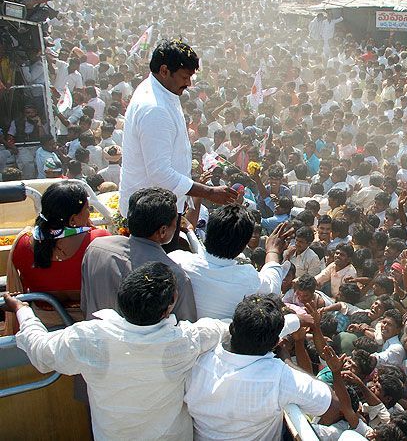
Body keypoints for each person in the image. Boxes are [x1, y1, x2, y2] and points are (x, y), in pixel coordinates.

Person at [7, 262, 229, 440]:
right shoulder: (183, 341)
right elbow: (224, 328)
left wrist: (22, 310)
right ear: (169, 305)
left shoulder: (89, 338)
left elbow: (40, 351)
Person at [119, 39, 237, 231]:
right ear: (164, 71)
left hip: (160, 210)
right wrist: (208, 192)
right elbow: (159, 173)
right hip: (150, 220)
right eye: (184, 77)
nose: (189, 83)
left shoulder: (162, 91)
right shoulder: (154, 108)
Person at [185, 294, 335, 440]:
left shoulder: (197, 360)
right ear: (276, 343)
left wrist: (297, 320)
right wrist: (288, 362)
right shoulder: (280, 378)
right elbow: (332, 403)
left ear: (231, 328)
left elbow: (251, 332)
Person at [80, 187, 197, 322]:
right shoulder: (176, 276)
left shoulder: (96, 248)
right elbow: (186, 326)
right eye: (176, 222)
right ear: (163, 231)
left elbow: (85, 305)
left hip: (95, 332)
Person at [5, 181, 110, 330]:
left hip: (43, 325)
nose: (89, 214)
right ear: (73, 219)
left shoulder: (22, 243)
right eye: (87, 209)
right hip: (91, 324)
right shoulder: (99, 239)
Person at [168, 205, 293, 319]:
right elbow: (272, 287)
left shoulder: (176, 260)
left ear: (208, 230)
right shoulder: (248, 279)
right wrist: (273, 251)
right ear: (244, 244)